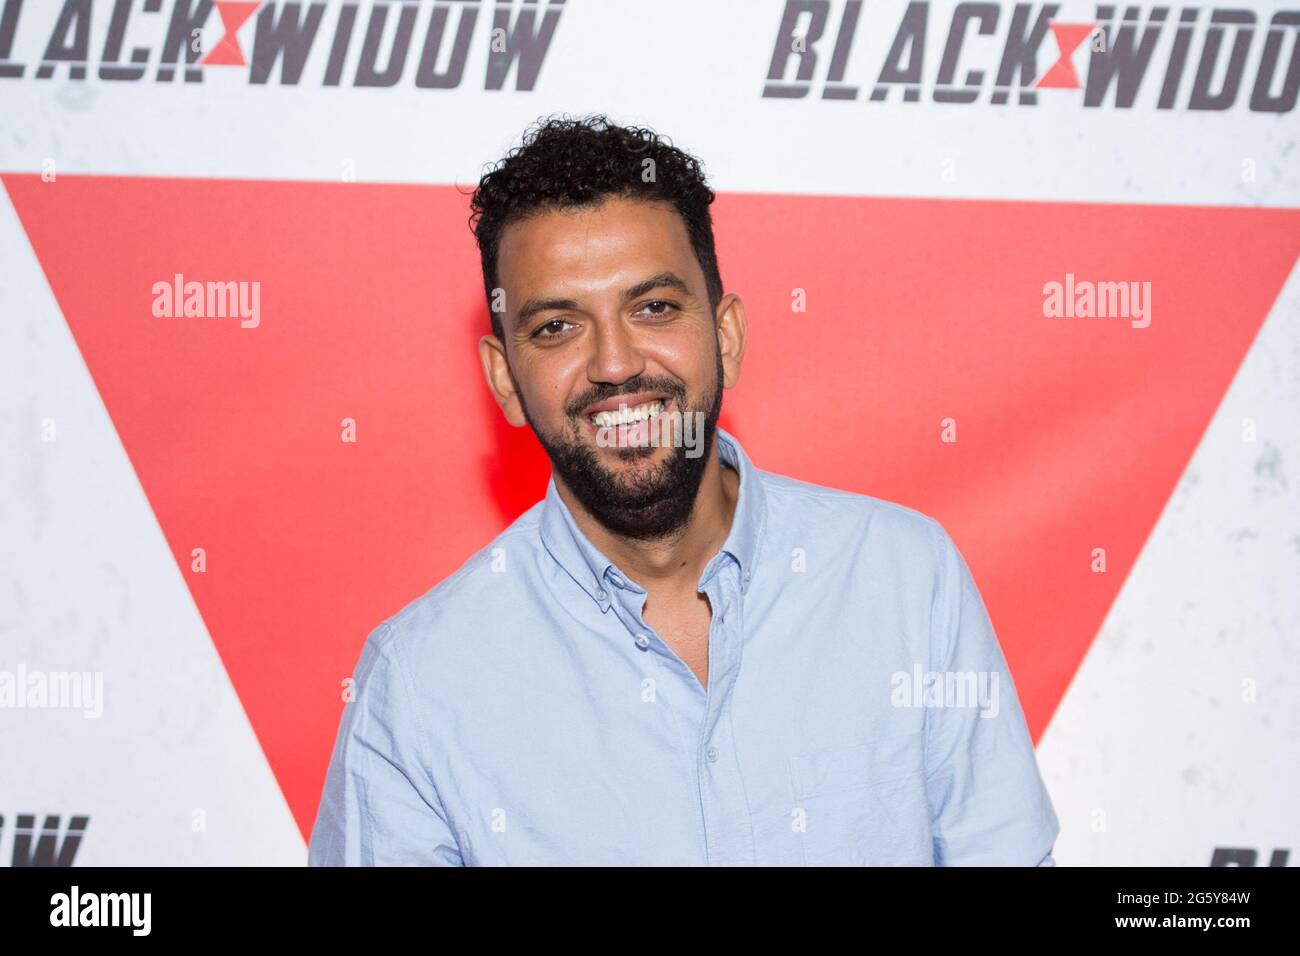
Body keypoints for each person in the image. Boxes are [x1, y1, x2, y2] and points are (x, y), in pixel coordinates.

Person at [308, 113, 1060, 866]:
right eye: (557, 327)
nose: (614, 362)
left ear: (725, 337)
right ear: (505, 379)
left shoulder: (904, 579)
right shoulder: (417, 686)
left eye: (654, 308)